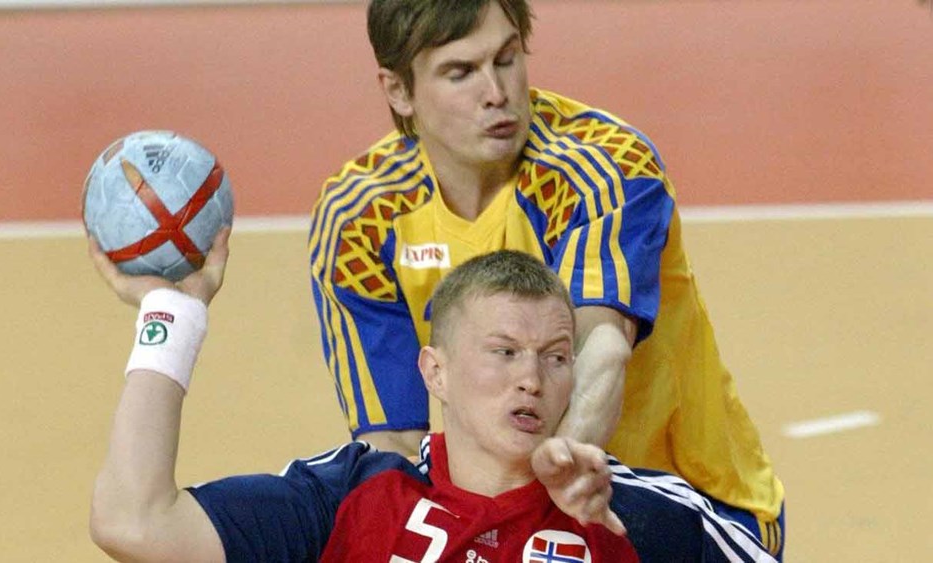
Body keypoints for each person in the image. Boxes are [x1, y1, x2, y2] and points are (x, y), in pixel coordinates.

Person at [308, 0, 786, 557]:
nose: (496, 92)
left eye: (507, 59)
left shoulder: (600, 166)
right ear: (398, 90)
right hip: (514, 514)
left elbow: (601, 346)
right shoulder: (361, 218)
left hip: (687, 508)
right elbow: (391, 440)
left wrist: (562, 465)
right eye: (461, 72)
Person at [87, 232, 774, 561]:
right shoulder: (351, 498)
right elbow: (133, 521)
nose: (531, 377)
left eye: (556, 356)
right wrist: (171, 316)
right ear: (434, 372)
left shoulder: (641, 517)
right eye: (503, 352)